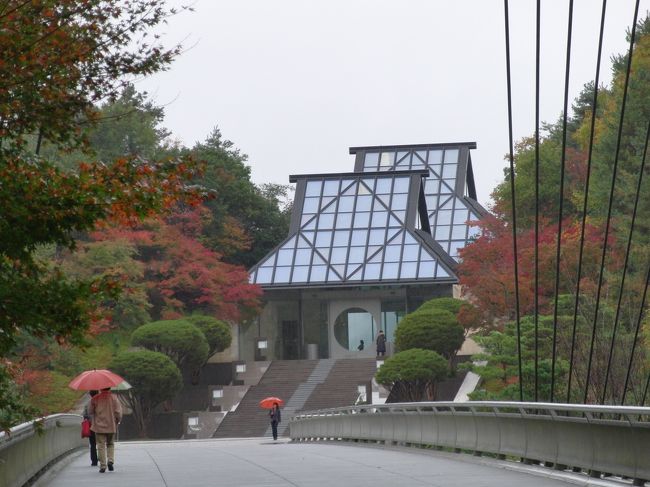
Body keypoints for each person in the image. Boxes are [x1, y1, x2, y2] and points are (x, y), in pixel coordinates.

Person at [88, 387, 122, 473]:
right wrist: (117, 421)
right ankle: (110, 461)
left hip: (99, 426)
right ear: (109, 387)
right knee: (110, 444)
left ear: (100, 388)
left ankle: (103, 465)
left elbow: (90, 411)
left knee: (100, 445)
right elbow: (118, 412)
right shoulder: (114, 398)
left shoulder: (95, 398)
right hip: (111, 425)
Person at [83, 390, 99, 466]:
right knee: (101, 443)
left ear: (90, 394)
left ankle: (94, 461)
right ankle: (103, 458)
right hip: (100, 425)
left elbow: (85, 415)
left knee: (92, 444)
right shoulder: (101, 402)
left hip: (91, 426)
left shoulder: (87, 403)